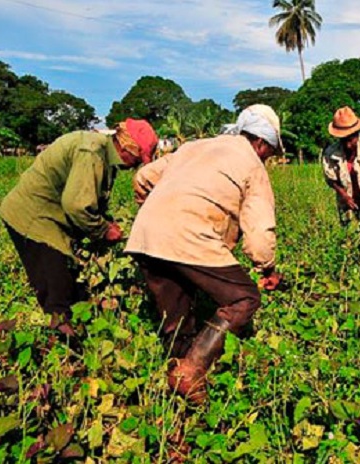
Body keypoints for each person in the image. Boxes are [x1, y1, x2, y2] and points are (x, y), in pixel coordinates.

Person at [125, 104, 284, 403]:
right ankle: (193, 371)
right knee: (244, 298)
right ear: (261, 143)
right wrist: (267, 269)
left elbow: (144, 177)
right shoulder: (251, 162)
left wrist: (156, 216)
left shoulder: (194, 147)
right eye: (270, 153)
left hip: (146, 236)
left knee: (178, 321)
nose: (267, 160)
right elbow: (260, 233)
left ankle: (179, 392)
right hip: (190, 234)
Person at [0, 119, 158, 335]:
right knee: (58, 294)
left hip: (50, 218)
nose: (136, 165)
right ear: (128, 148)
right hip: (34, 218)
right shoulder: (91, 152)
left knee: (70, 287)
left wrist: (105, 222)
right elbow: (76, 205)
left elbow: (90, 200)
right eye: (139, 158)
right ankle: (54, 348)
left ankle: (68, 334)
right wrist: (104, 230)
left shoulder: (103, 156)